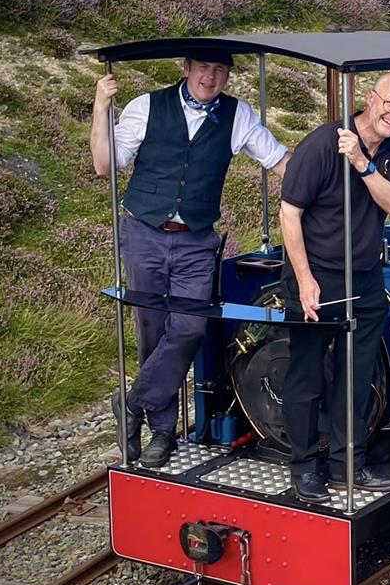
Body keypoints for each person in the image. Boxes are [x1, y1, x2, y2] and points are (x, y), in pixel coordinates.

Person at [92, 52, 290, 467]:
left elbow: (279, 161)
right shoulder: (146, 106)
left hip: (196, 241)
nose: (210, 76)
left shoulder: (238, 116)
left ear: (227, 76)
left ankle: (131, 404)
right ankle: (162, 433)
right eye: (202, 67)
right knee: (152, 332)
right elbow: (105, 164)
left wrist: (329, 176)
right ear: (186, 68)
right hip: (144, 233)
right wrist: (99, 107)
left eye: (219, 70)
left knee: (189, 328)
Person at [279, 71, 390, 502]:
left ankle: (346, 465)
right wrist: (304, 280)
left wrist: (362, 164)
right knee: (306, 375)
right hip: (316, 276)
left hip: (365, 279)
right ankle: (303, 466)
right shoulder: (321, 144)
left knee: (356, 377)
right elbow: (289, 213)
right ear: (370, 99)